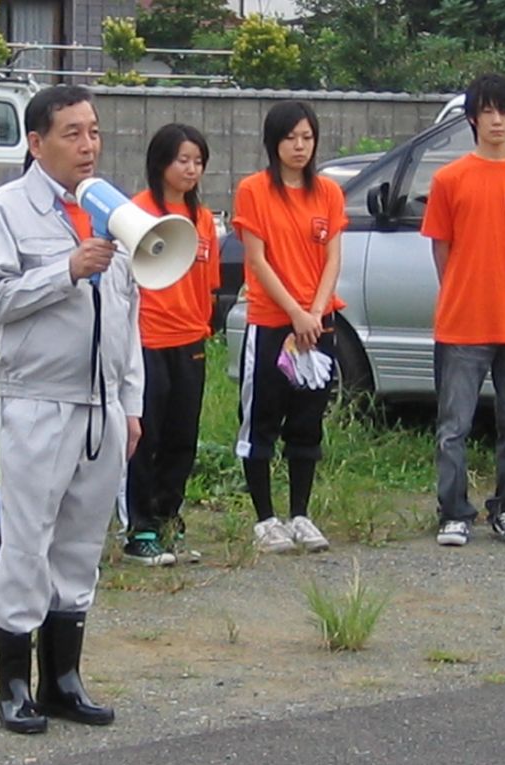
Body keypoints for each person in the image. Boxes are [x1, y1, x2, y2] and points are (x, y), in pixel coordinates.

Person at [0, 85, 144, 734]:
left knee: (79, 543)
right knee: (27, 540)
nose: (88, 145)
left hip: (100, 403)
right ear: (37, 143)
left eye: (94, 131)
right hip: (36, 400)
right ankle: (13, 682)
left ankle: (63, 678)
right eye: (73, 133)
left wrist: (131, 402)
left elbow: (128, 316)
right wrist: (67, 268)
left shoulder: (114, 211)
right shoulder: (6, 210)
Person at [420, 73, 505, 547]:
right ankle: (453, 512)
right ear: (473, 117)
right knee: (453, 427)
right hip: (460, 324)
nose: (497, 120)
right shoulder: (449, 179)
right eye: (488, 111)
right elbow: (442, 249)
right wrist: (464, 289)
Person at [232, 100, 345, 554]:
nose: (299, 147)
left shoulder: (329, 194)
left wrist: (314, 313)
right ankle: (265, 519)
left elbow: (333, 256)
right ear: (273, 142)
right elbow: (257, 259)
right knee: (260, 422)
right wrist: (294, 313)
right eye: (290, 138)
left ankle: (301, 513)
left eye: (307, 138)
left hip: (318, 329)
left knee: (308, 422)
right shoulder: (254, 191)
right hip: (272, 324)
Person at [123, 123, 220, 567]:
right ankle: (140, 528)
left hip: (190, 340)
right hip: (147, 339)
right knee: (148, 435)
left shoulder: (203, 220)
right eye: (183, 160)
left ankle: (168, 520)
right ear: (161, 162)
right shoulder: (137, 213)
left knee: (183, 437)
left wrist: (203, 325)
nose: (191, 169)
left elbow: (210, 283)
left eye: (198, 162)